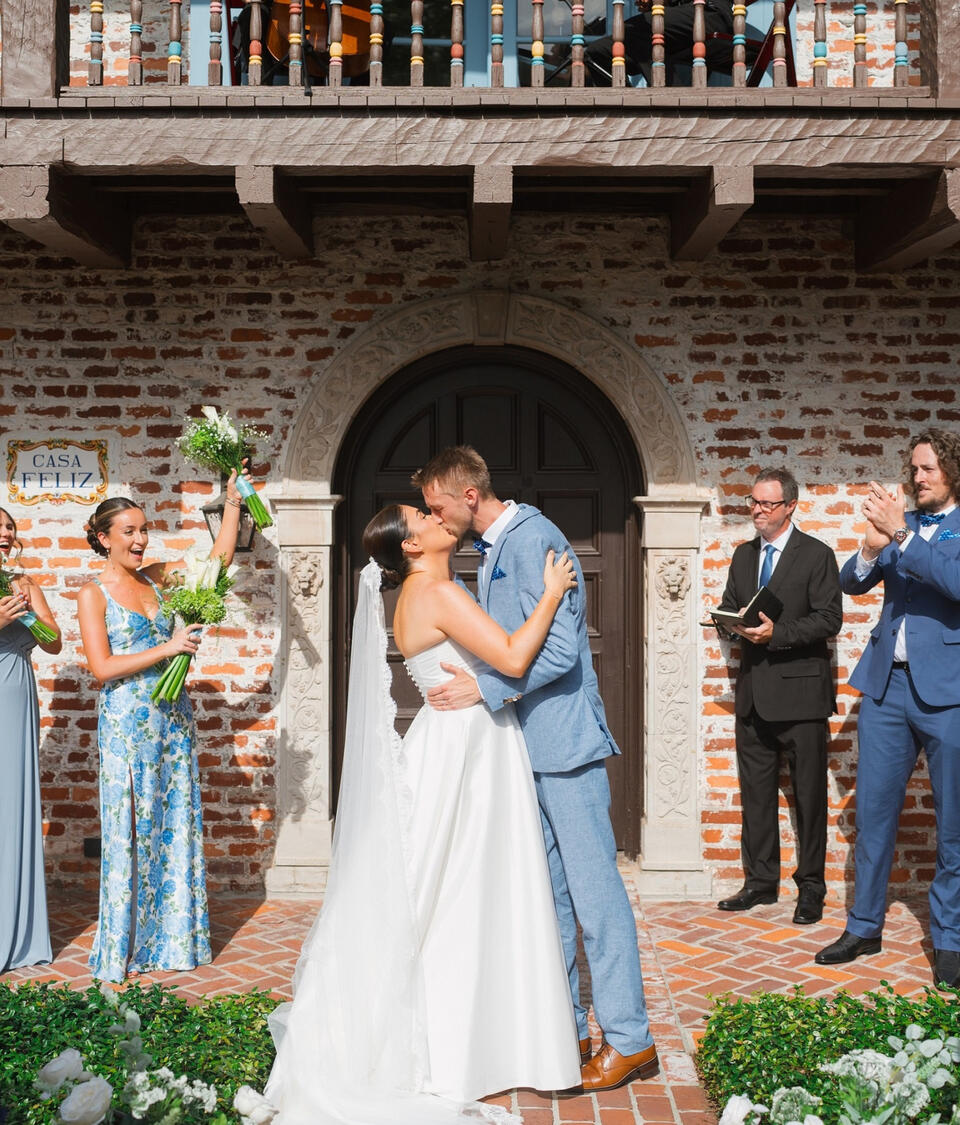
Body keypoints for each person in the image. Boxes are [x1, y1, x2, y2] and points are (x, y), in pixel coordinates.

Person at [262, 504, 581, 1124]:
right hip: (469, 743)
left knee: (443, 884)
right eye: (423, 516)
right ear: (410, 544)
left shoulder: (420, 590)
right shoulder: (433, 589)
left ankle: (464, 1036)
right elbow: (514, 660)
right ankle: (462, 1046)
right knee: (463, 884)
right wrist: (550, 594)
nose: (437, 517)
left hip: (449, 735)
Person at [413, 446, 657, 1093]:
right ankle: (567, 1025)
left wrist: (485, 689)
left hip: (566, 747)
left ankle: (630, 1039)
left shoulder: (534, 539)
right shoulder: (495, 547)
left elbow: (558, 649)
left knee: (595, 896)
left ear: (466, 495)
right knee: (549, 899)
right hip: (526, 751)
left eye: (437, 505)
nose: (434, 517)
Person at [77, 472, 248, 982]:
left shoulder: (155, 578)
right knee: (131, 829)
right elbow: (102, 668)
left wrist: (234, 504)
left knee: (173, 821)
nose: (139, 539)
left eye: (144, 529)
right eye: (128, 531)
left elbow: (215, 567)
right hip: (127, 723)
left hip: (173, 719)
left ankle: (172, 940)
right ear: (104, 537)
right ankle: (125, 945)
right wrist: (169, 648)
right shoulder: (93, 594)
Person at [816, 429, 960, 989]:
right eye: (914, 469)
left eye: (928, 469)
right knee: (872, 815)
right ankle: (864, 926)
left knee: (953, 825)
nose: (917, 478)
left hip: (948, 691)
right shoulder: (903, 529)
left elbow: (953, 581)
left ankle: (949, 941)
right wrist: (874, 547)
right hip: (886, 689)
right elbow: (853, 583)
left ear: (951, 470)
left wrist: (901, 532)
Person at [714, 468, 842, 925]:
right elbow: (731, 604)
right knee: (757, 796)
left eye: (768, 504)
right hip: (753, 695)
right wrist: (725, 621)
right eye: (753, 502)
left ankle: (811, 889)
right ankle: (759, 883)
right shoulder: (744, 556)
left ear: (790, 506)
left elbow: (830, 620)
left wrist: (777, 634)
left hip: (803, 697)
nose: (758, 511)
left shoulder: (817, 555)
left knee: (809, 799)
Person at [1, 506, 61, 973]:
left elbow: (55, 643)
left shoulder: (25, 583)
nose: (5, 533)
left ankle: (17, 928)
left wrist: (37, 617)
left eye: (8, 527)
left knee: (13, 802)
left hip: (16, 692)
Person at [585, 0, 734, 85]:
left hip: (709, 12)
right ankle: (628, 110)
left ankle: (673, 98)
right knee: (596, 52)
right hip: (681, 19)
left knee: (639, 29)